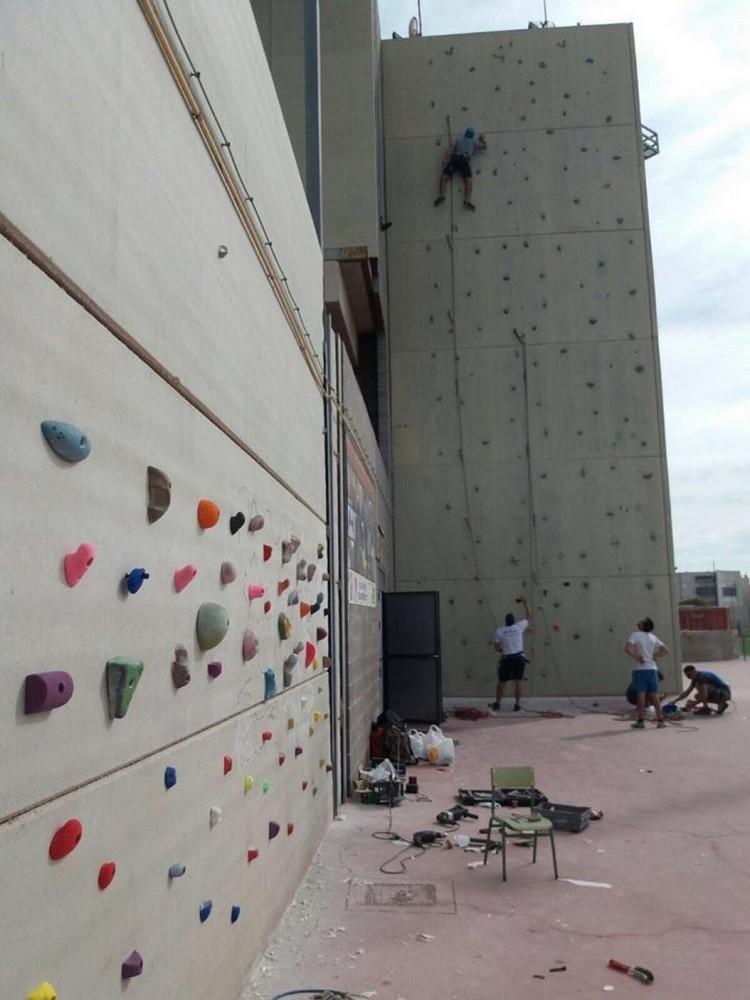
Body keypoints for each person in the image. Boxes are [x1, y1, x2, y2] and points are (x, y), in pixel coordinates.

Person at [624, 617, 669, 729]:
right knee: (654, 695)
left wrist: (636, 656)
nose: (638, 621)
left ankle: (640, 721)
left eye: (641, 620)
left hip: (640, 670)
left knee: (641, 695)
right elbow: (665, 650)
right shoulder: (652, 637)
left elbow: (627, 648)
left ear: (643, 625)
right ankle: (660, 720)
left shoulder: (635, 635)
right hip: (652, 669)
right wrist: (655, 655)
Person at [489, 597, 531, 712]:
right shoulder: (519, 627)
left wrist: (504, 650)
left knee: (502, 682)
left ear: (505, 621)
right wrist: (525, 603)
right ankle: (517, 705)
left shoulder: (500, 630)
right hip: (519, 658)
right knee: (518, 681)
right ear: (514, 621)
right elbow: (529, 616)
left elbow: (497, 648)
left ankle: (497, 704)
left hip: (507, 659)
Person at [434, 127, 487, 211]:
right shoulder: (474, 141)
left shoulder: (459, 139)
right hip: (464, 160)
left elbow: (451, 149)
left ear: (465, 133)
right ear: (472, 135)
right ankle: (467, 200)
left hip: (455, 158)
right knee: (468, 181)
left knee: (444, 177)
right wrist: (482, 139)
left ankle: (442, 195)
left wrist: (445, 159)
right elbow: (484, 147)